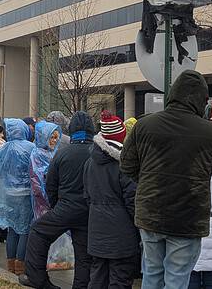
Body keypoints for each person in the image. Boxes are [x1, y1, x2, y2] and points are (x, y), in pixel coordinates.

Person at [121, 70, 212, 289]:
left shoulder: (144, 126)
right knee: (177, 278)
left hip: (150, 214)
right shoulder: (210, 132)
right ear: (202, 101)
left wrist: (149, 181)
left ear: (173, 95)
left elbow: (126, 166)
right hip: (187, 218)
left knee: (152, 274)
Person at [21, 111, 95, 289]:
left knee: (38, 232)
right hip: (88, 211)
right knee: (84, 256)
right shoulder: (96, 153)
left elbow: (50, 186)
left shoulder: (62, 154)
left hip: (65, 208)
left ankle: (37, 279)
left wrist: (56, 207)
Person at [84, 112, 139, 289]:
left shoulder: (89, 162)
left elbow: (86, 196)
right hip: (121, 234)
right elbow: (132, 200)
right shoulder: (124, 164)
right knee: (120, 280)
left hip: (96, 230)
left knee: (97, 278)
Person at [0, 119, 35, 273]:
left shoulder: (4, 148)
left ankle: (10, 264)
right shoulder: (30, 148)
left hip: (9, 192)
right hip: (25, 193)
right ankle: (20, 265)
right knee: (24, 230)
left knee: (12, 229)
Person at [29, 121, 73, 273]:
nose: (54, 141)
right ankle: (49, 260)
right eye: (51, 138)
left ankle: (58, 259)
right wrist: (48, 201)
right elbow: (37, 183)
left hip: (53, 200)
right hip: (44, 202)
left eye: (56, 138)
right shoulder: (37, 154)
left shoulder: (54, 154)